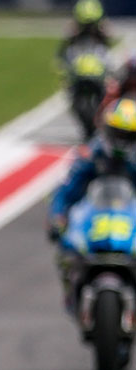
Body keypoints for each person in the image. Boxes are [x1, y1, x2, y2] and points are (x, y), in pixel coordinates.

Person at [49, 98, 136, 303]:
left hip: (129, 220)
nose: (122, 140)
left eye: (128, 135)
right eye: (118, 133)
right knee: (67, 252)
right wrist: (57, 217)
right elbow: (67, 189)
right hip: (94, 218)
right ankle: (73, 291)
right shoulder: (91, 154)